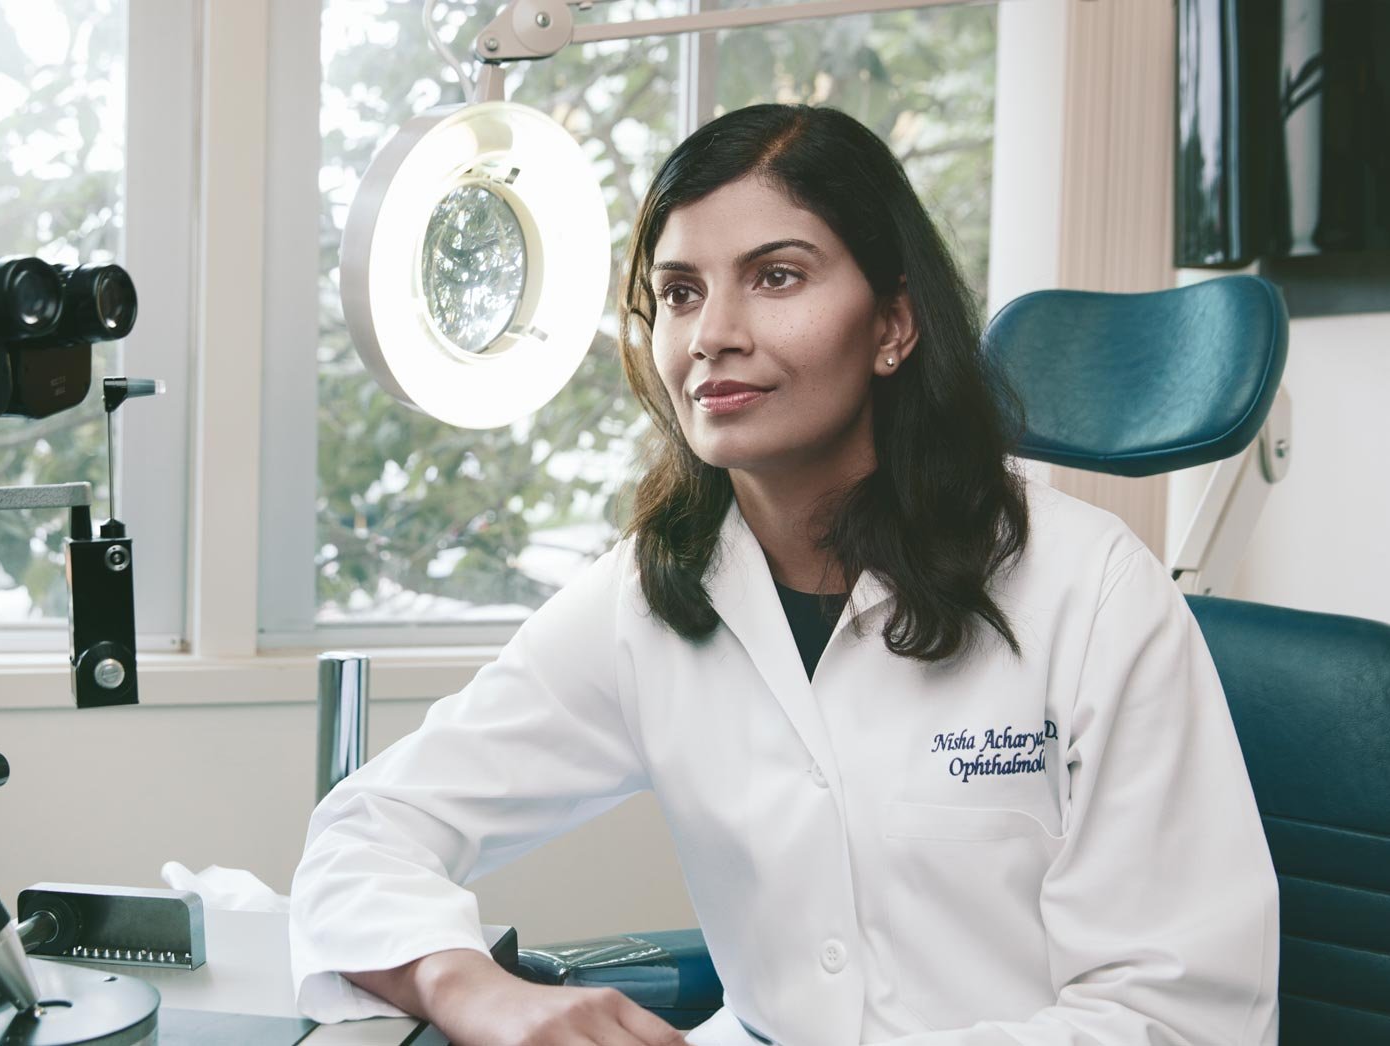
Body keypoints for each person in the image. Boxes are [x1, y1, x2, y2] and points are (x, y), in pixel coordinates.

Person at [289, 103, 1279, 1046]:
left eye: (777, 276)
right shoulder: (652, 594)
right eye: (680, 291)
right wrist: (480, 990)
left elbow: (1177, 1018)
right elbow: (363, 832)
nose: (712, 332)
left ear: (893, 325)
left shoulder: (1093, 591)